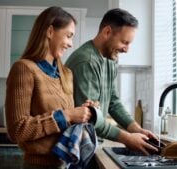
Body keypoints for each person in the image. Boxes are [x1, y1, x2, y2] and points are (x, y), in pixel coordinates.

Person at [5, 6, 97, 169]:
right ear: (50, 31)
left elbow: (65, 120)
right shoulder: (24, 68)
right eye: (68, 36)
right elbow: (17, 130)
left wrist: (82, 113)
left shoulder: (66, 74)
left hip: (64, 164)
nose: (70, 44)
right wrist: (68, 115)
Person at [65, 8, 158, 155]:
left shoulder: (109, 59)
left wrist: (135, 128)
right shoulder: (87, 61)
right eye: (124, 42)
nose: (127, 49)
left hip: (92, 141)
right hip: (77, 145)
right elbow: (89, 117)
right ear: (107, 32)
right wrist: (127, 138)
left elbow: (113, 101)